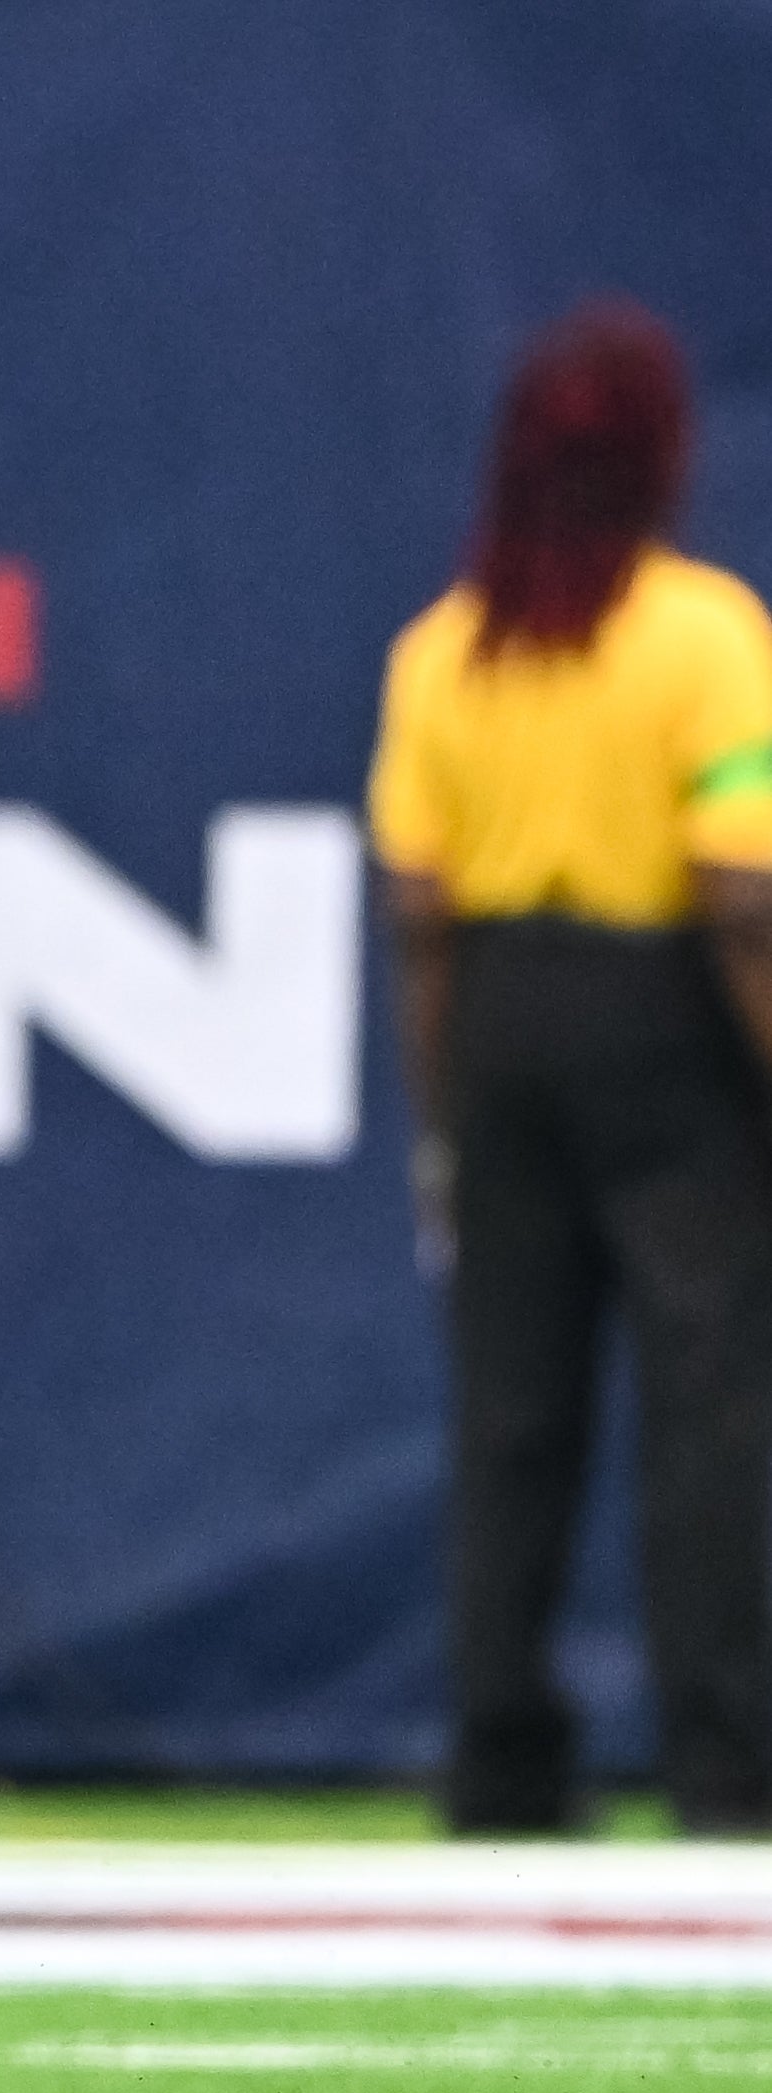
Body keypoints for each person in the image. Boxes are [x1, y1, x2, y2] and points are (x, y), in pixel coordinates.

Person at [371, 299, 772, 1838]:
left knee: (512, 1412)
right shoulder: (700, 635)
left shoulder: (443, 653)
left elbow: (415, 918)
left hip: (496, 1022)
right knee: (708, 1400)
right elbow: (740, 893)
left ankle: (500, 1759)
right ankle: (725, 1765)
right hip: (659, 1018)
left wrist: (440, 1128)